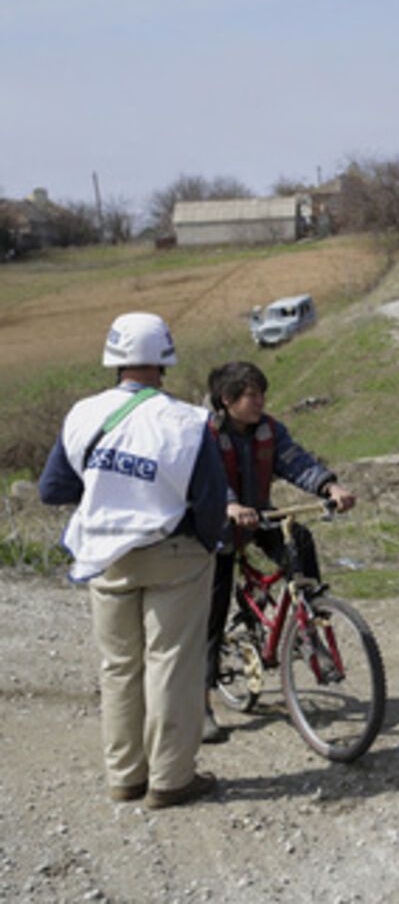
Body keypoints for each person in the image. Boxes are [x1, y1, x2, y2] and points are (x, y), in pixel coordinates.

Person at [38, 312, 227, 808]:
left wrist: (107, 493)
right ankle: (171, 780)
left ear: (113, 358)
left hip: (106, 556)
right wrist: (209, 543)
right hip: (174, 554)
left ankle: (125, 776)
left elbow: (53, 488)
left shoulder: (81, 415)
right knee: (172, 664)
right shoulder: (188, 421)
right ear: (165, 358)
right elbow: (210, 500)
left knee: (119, 666)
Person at [203, 361, 356, 742]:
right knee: (210, 616)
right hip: (217, 527)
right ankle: (200, 702)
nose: (260, 402)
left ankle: (309, 624)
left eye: (261, 393)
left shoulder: (270, 430)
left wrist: (328, 487)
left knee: (299, 539)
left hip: (258, 516)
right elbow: (206, 478)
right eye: (251, 395)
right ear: (227, 400)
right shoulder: (203, 435)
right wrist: (229, 505)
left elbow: (295, 461)